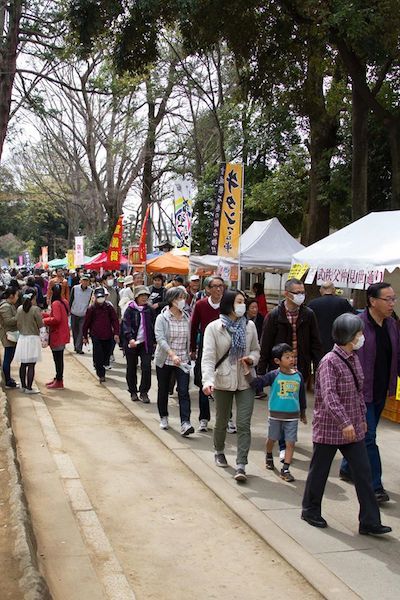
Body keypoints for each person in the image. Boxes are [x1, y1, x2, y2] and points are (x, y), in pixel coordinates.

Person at [301, 314, 392, 536]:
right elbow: (330, 397)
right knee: (319, 472)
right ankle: (310, 510)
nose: (362, 337)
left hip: (353, 428)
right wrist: (344, 422)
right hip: (330, 428)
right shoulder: (329, 362)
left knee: (363, 472)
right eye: (359, 334)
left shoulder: (353, 358)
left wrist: (361, 418)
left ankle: (369, 521)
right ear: (349, 336)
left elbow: (359, 392)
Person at [340, 282, 400, 503]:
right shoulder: (357, 325)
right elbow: (344, 356)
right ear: (373, 301)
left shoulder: (392, 325)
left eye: (394, 299)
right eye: (388, 299)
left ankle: (347, 468)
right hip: (360, 391)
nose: (392, 303)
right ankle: (375, 485)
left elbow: (396, 355)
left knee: (363, 435)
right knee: (369, 437)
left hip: (381, 389)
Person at [258, 277, 323, 460]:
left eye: (302, 292)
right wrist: (262, 372)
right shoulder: (274, 316)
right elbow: (265, 345)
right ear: (286, 294)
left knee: (294, 406)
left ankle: (288, 441)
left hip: (299, 369)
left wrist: (321, 366)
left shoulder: (308, 314)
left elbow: (316, 343)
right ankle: (281, 445)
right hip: (278, 372)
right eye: (297, 292)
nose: (301, 295)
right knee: (281, 406)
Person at [202, 290, 260, 483]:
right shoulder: (214, 328)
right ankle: (219, 450)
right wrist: (207, 381)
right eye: (239, 302)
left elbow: (256, 349)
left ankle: (241, 463)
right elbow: (208, 357)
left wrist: (251, 359)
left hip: (245, 380)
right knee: (221, 421)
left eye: (244, 302)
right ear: (229, 304)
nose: (243, 305)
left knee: (243, 423)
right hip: (223, 380)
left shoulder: (250, 326)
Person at [249, 343, 307, 482]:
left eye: (293, 356)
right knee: (272, 439)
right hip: (275, 416)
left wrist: (303, 413)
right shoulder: (274, 375)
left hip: (292, 417)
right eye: (287, 357)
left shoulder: (298, 376)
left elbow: (302, 396)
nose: (291, 359)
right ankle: (269, 454)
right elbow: (258, 383)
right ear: (277, 361)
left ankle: (285, 469)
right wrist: (247, 373)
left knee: (290, 442)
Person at [154, 287, 194, 436]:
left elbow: (189, 337)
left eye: (184, 298)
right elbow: (160, 339)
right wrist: (172, 355)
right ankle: (163, 416)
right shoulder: (162, 318)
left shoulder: (186, 317)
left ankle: (185, 422)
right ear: (172, 300)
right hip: (166, 360)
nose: (183, 301)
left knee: (183, 391)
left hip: (182, 361)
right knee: (163, 389)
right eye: (179, 298)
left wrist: (188, 353)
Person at [190, 276, 228, 432]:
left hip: (226, 351)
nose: (219, 289)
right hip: (206, 350)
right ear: (208, 289)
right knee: (204, 384)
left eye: (221, 286)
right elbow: (194, 327)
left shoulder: (228, 304)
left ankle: (227, 418)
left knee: (227, 385)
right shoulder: (200, 305)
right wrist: (192, 348)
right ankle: (204, 418)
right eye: (215, 286)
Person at [122, 285, 154, 403]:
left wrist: (154, 341)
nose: (144, 298)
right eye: (142, 295)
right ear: (136, 297)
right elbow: (126, 325)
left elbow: (153, 326)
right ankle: (133, 391)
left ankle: (144, 391)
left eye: (146, 295)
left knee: (146, 367)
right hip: (132, 343)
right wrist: (130, 338)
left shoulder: (149, 310)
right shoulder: (130, 309)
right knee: (131, 367)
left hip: (145, 343)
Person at [82, 288, 120, 383]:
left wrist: (116, 333)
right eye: (98, 297)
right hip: (96, 335)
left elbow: (115, 320)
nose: (100, 299)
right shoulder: (91, 308)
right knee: (98, 355)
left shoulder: (109, 307)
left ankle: (102, 364)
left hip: (108, 335)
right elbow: (86, 323)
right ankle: (101, 373)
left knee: (107, 354)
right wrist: (85, 336)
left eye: (102, 297)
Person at [308, 281, 355, 355]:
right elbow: (353, 318)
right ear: (334, 290)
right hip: (339, 342)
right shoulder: (342, 302)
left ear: (321, 290)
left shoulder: (312, 304)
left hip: (319, 343)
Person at [14, 287, 43, 394]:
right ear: (34, 298)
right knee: (31, 365)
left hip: (22, 338)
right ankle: (29, 388)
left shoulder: (19, 309)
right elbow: (41, 324)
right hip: (33, 339)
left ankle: (23, 386)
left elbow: (17, 322)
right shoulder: (35, 309)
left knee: (23, 364)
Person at [43, 284, 70, 389]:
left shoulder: (55, 303)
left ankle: (59, 380)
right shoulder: (64, 302)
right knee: (59, 358)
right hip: (63, 333)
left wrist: (44, 320)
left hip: (57, 334)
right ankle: (58, 378)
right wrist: (46, 315)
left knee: (58, 359)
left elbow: (56, 319)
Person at [0, 287, 19, 388]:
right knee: (8, 358)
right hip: (7, 334)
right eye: (16, 295)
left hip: (11, 333)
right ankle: (8, 381)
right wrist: (19, 317)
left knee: (10, 357)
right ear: (11, 296)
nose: (17, 297)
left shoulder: (10, 305)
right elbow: (8, 321)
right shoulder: (5, 307)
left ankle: (8, 378)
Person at [70, 273, 93, 354]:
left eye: (87, 281)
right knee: (74, 330)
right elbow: (71, 300)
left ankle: (79, 347)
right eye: (83, 280)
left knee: (81, 331)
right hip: (74, 312)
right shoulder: (75, 288)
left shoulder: (91, 291)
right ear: (80, 281)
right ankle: (76, 346)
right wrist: (69, 311)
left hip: (84, 314)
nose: (85, 282)